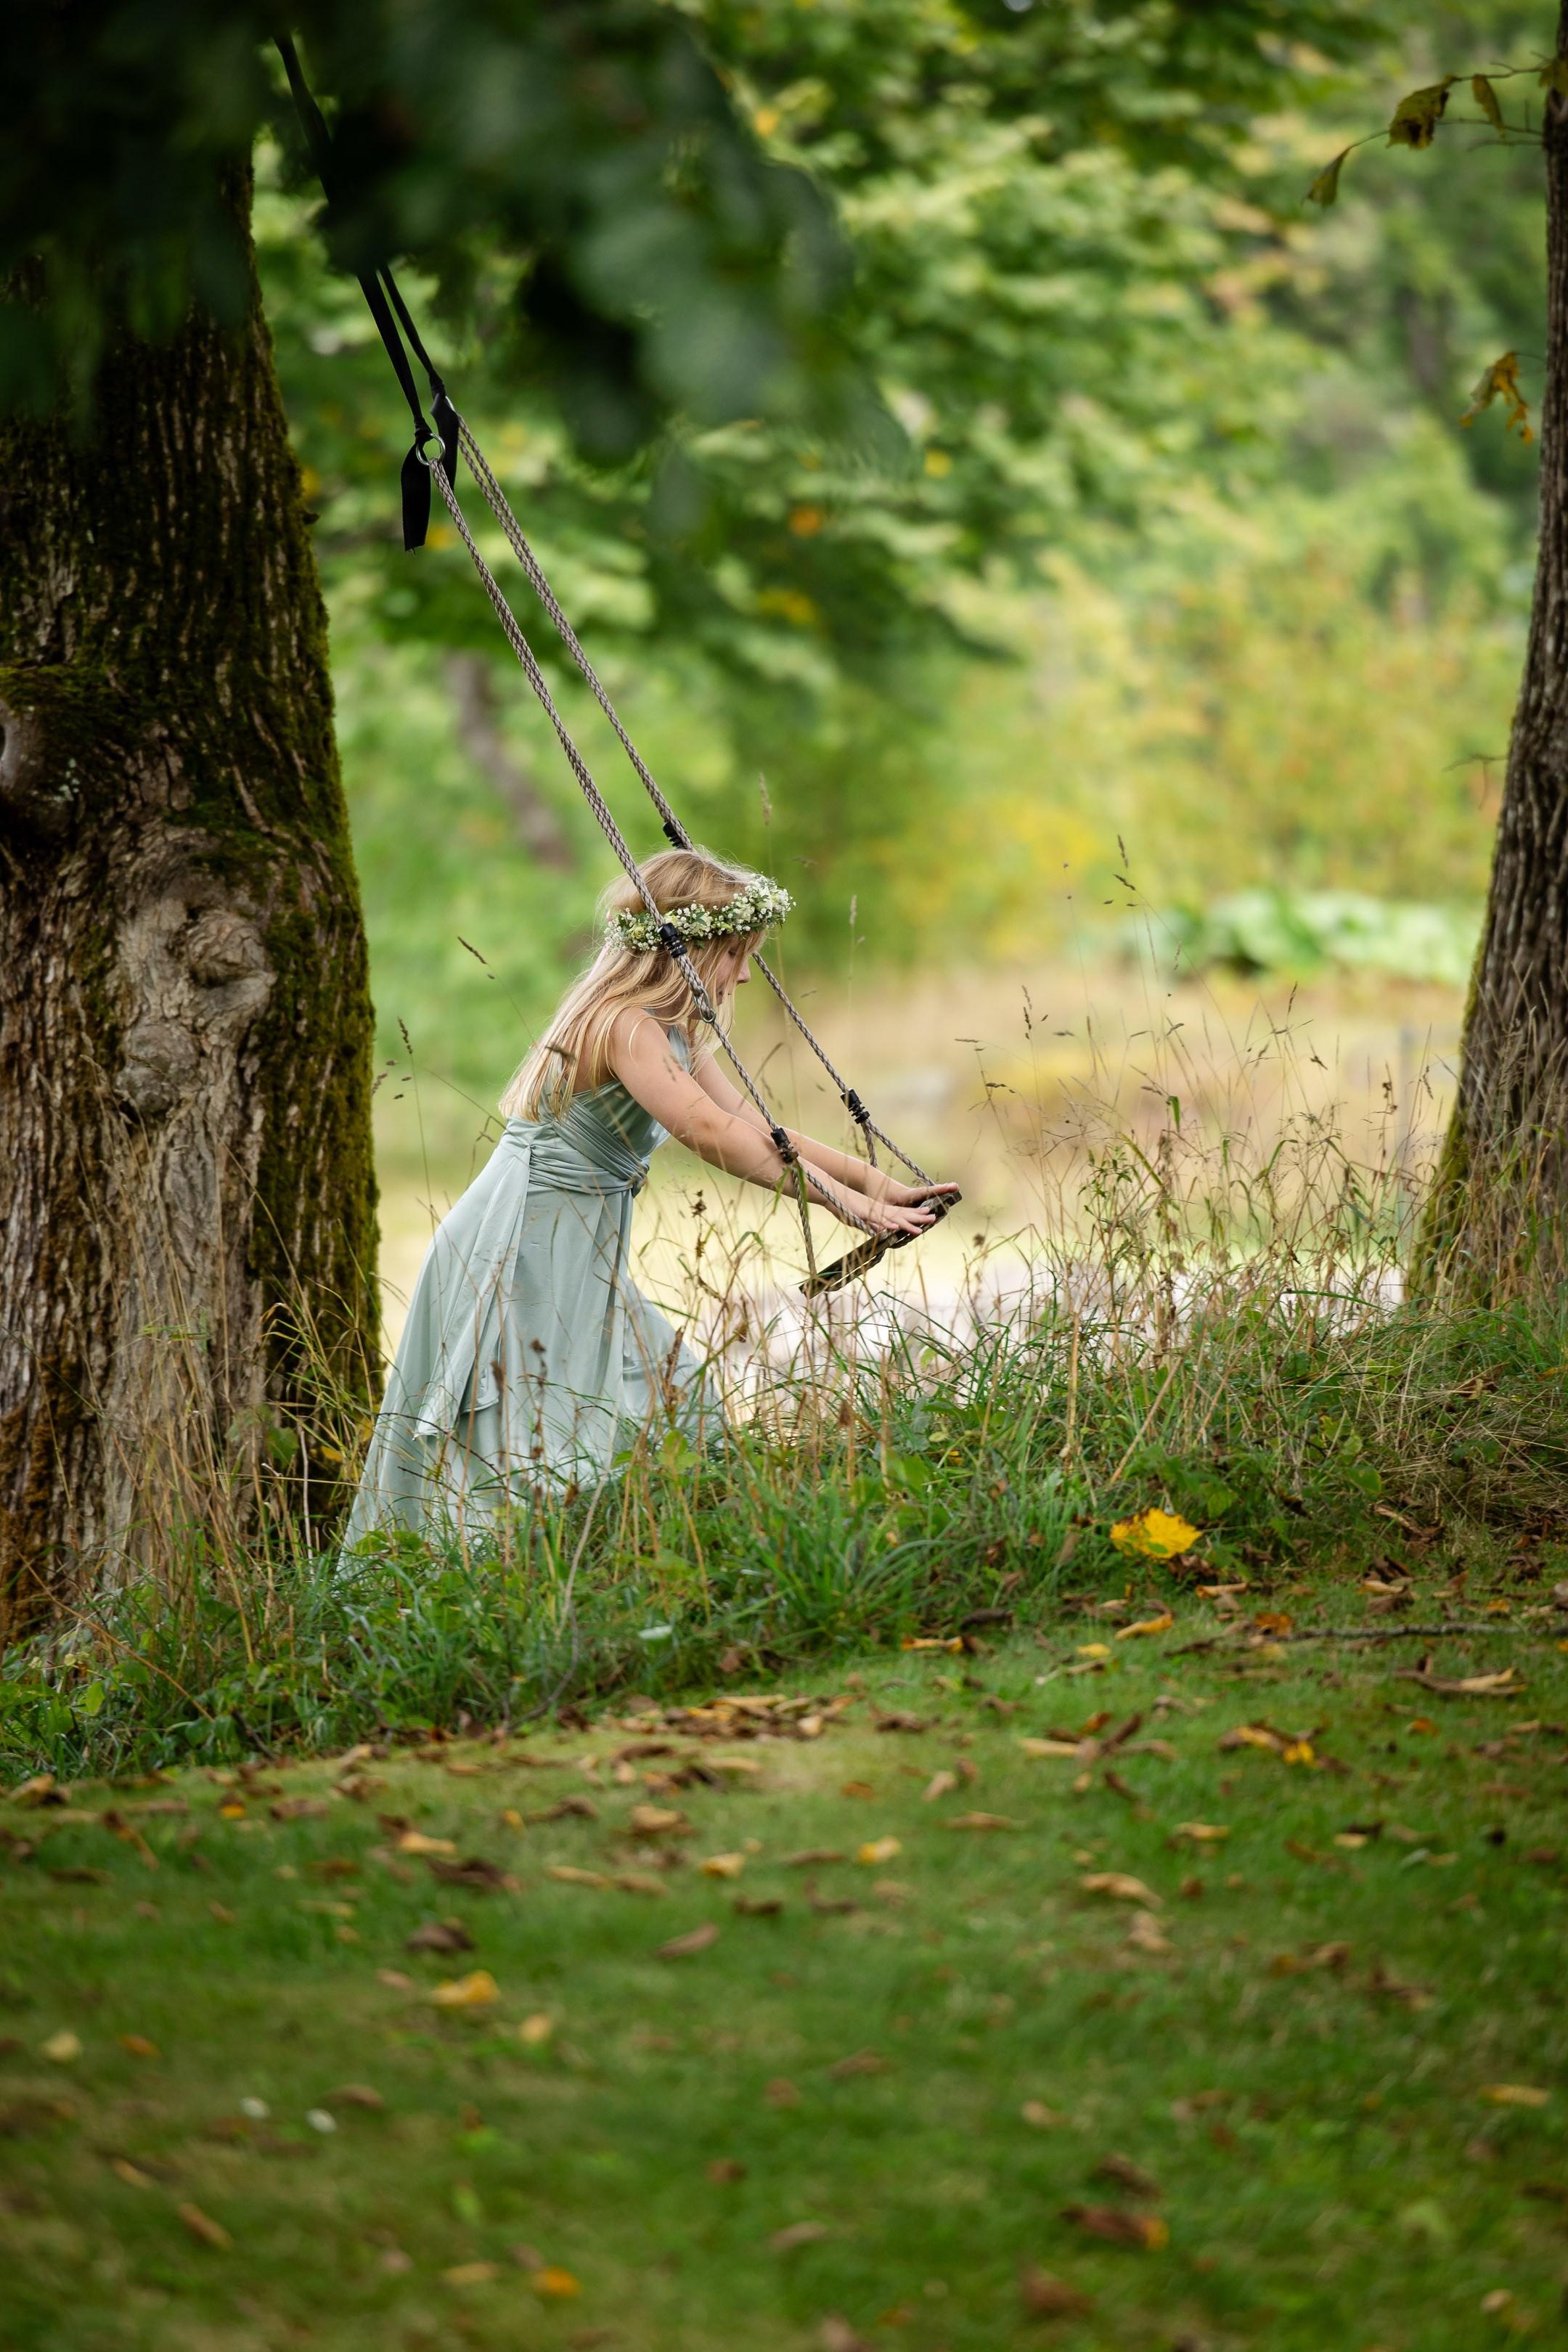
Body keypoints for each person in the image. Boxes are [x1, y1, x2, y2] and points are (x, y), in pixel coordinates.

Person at [343, 847, 957, 1544]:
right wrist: (845, 1207)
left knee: (674, 1402)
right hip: (521, 1245)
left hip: (578, 1248)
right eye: (737, 953)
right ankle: (482, 1586)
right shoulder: (624, 1024)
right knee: (523, 1442)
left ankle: (635, 1563)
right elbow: (706, 1131)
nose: (746, 973)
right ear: (690, 948)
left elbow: (758, 1127)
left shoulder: (671, 1032)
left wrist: (880, 1187)